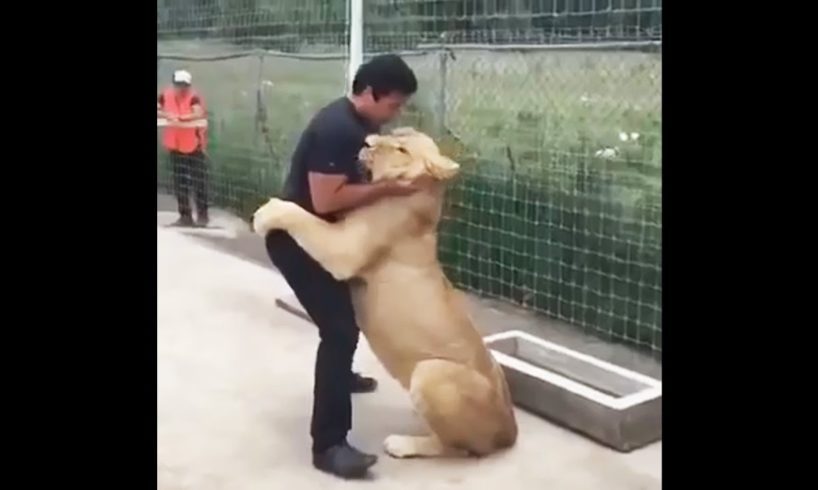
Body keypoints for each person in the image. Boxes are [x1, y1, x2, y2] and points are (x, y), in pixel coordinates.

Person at [262, 54, 421, 479]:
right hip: (298, 240)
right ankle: (329, 445)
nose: (396, 113)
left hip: (328, 237)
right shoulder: (339, 128)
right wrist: (389, 188)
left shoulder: (362, 124)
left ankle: (340, 375)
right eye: (393, 104)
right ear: (368, 93)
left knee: (346, 319)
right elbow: (327, 200)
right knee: (339, 330)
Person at [158, 69, 210, 227]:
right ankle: (185, 216)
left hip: (194, 146)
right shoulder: (165, 95)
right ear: (174, 84)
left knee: (199, 182)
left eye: (185, 85)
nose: (182, 89)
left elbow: (197, 113)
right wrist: (167, 116)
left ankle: (202, 216)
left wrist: (180, 118)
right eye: (179, 85)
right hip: (175, 145)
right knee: (180, 183)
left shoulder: (193, 97)